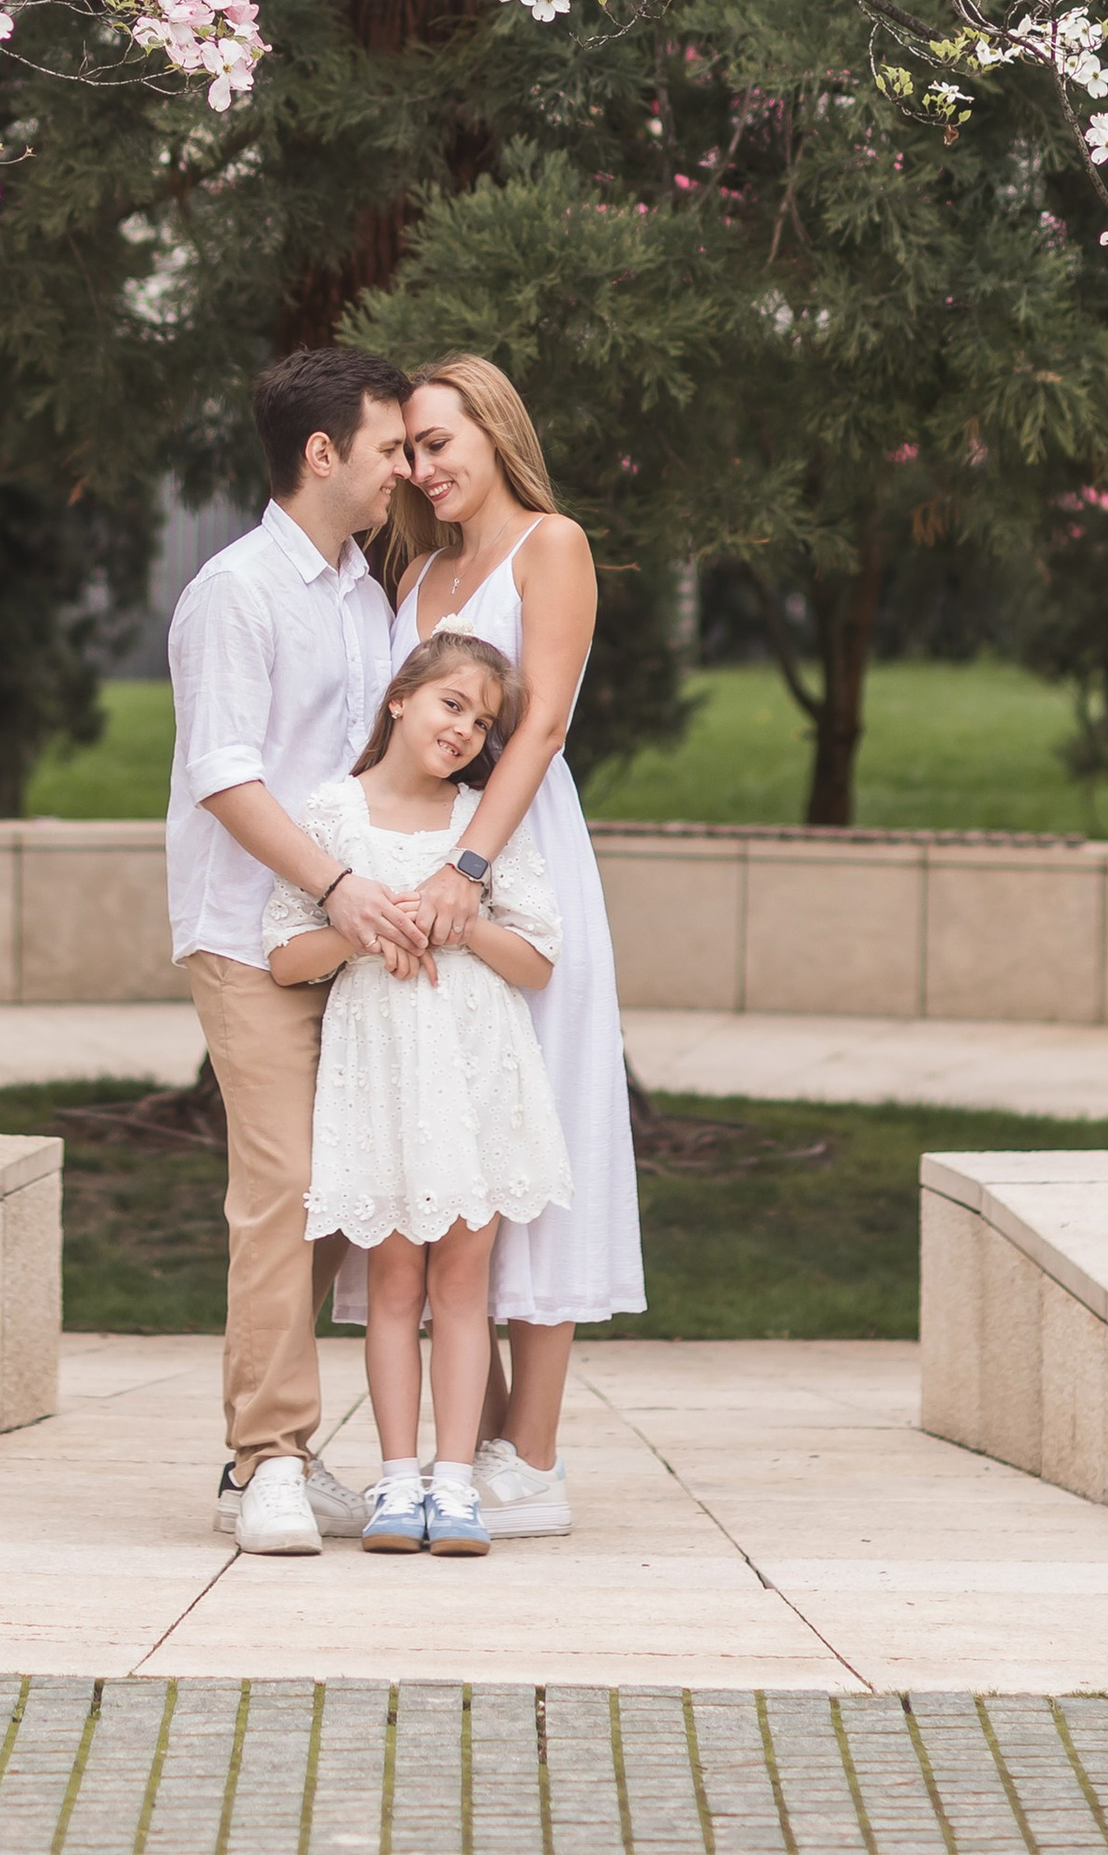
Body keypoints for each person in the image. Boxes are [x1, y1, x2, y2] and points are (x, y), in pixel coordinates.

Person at [375, 355, 645, 1536]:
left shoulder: (552, 544)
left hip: (515, 855)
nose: (425, 468)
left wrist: (469, 865)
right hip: (415, 866)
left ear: (493, 427)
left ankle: (530, 1456)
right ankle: (463, 1444)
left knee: (543, 1124)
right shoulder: (419, 566)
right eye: (411, 450)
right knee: (456, 1134)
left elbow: (537, 724)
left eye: (441, 441)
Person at [164, 346, 427, 1557]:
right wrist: (336, 883)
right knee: (278, 1188)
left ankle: (257, 1458)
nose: (401, 473)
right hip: (246, 936)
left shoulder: (362, 594)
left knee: (331, 1196)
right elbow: (225, 774)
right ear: (321, 454)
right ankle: (270, 1457)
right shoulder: (235, 592)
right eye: (386, 450)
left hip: (346, 935)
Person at [262, 630, 570, 1558]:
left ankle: (456, 1484)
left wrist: (464, 921)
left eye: (482, 721)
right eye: (451, 705)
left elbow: (540, 960)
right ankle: (397, 1482)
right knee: (395, 1280)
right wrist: (362, 929)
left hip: (475, 1076)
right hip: (385, 1078)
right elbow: (284, 954)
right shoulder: (330, 814)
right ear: (399, 697)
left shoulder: (482, 824)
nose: (466, 730)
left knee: (463, 1285)